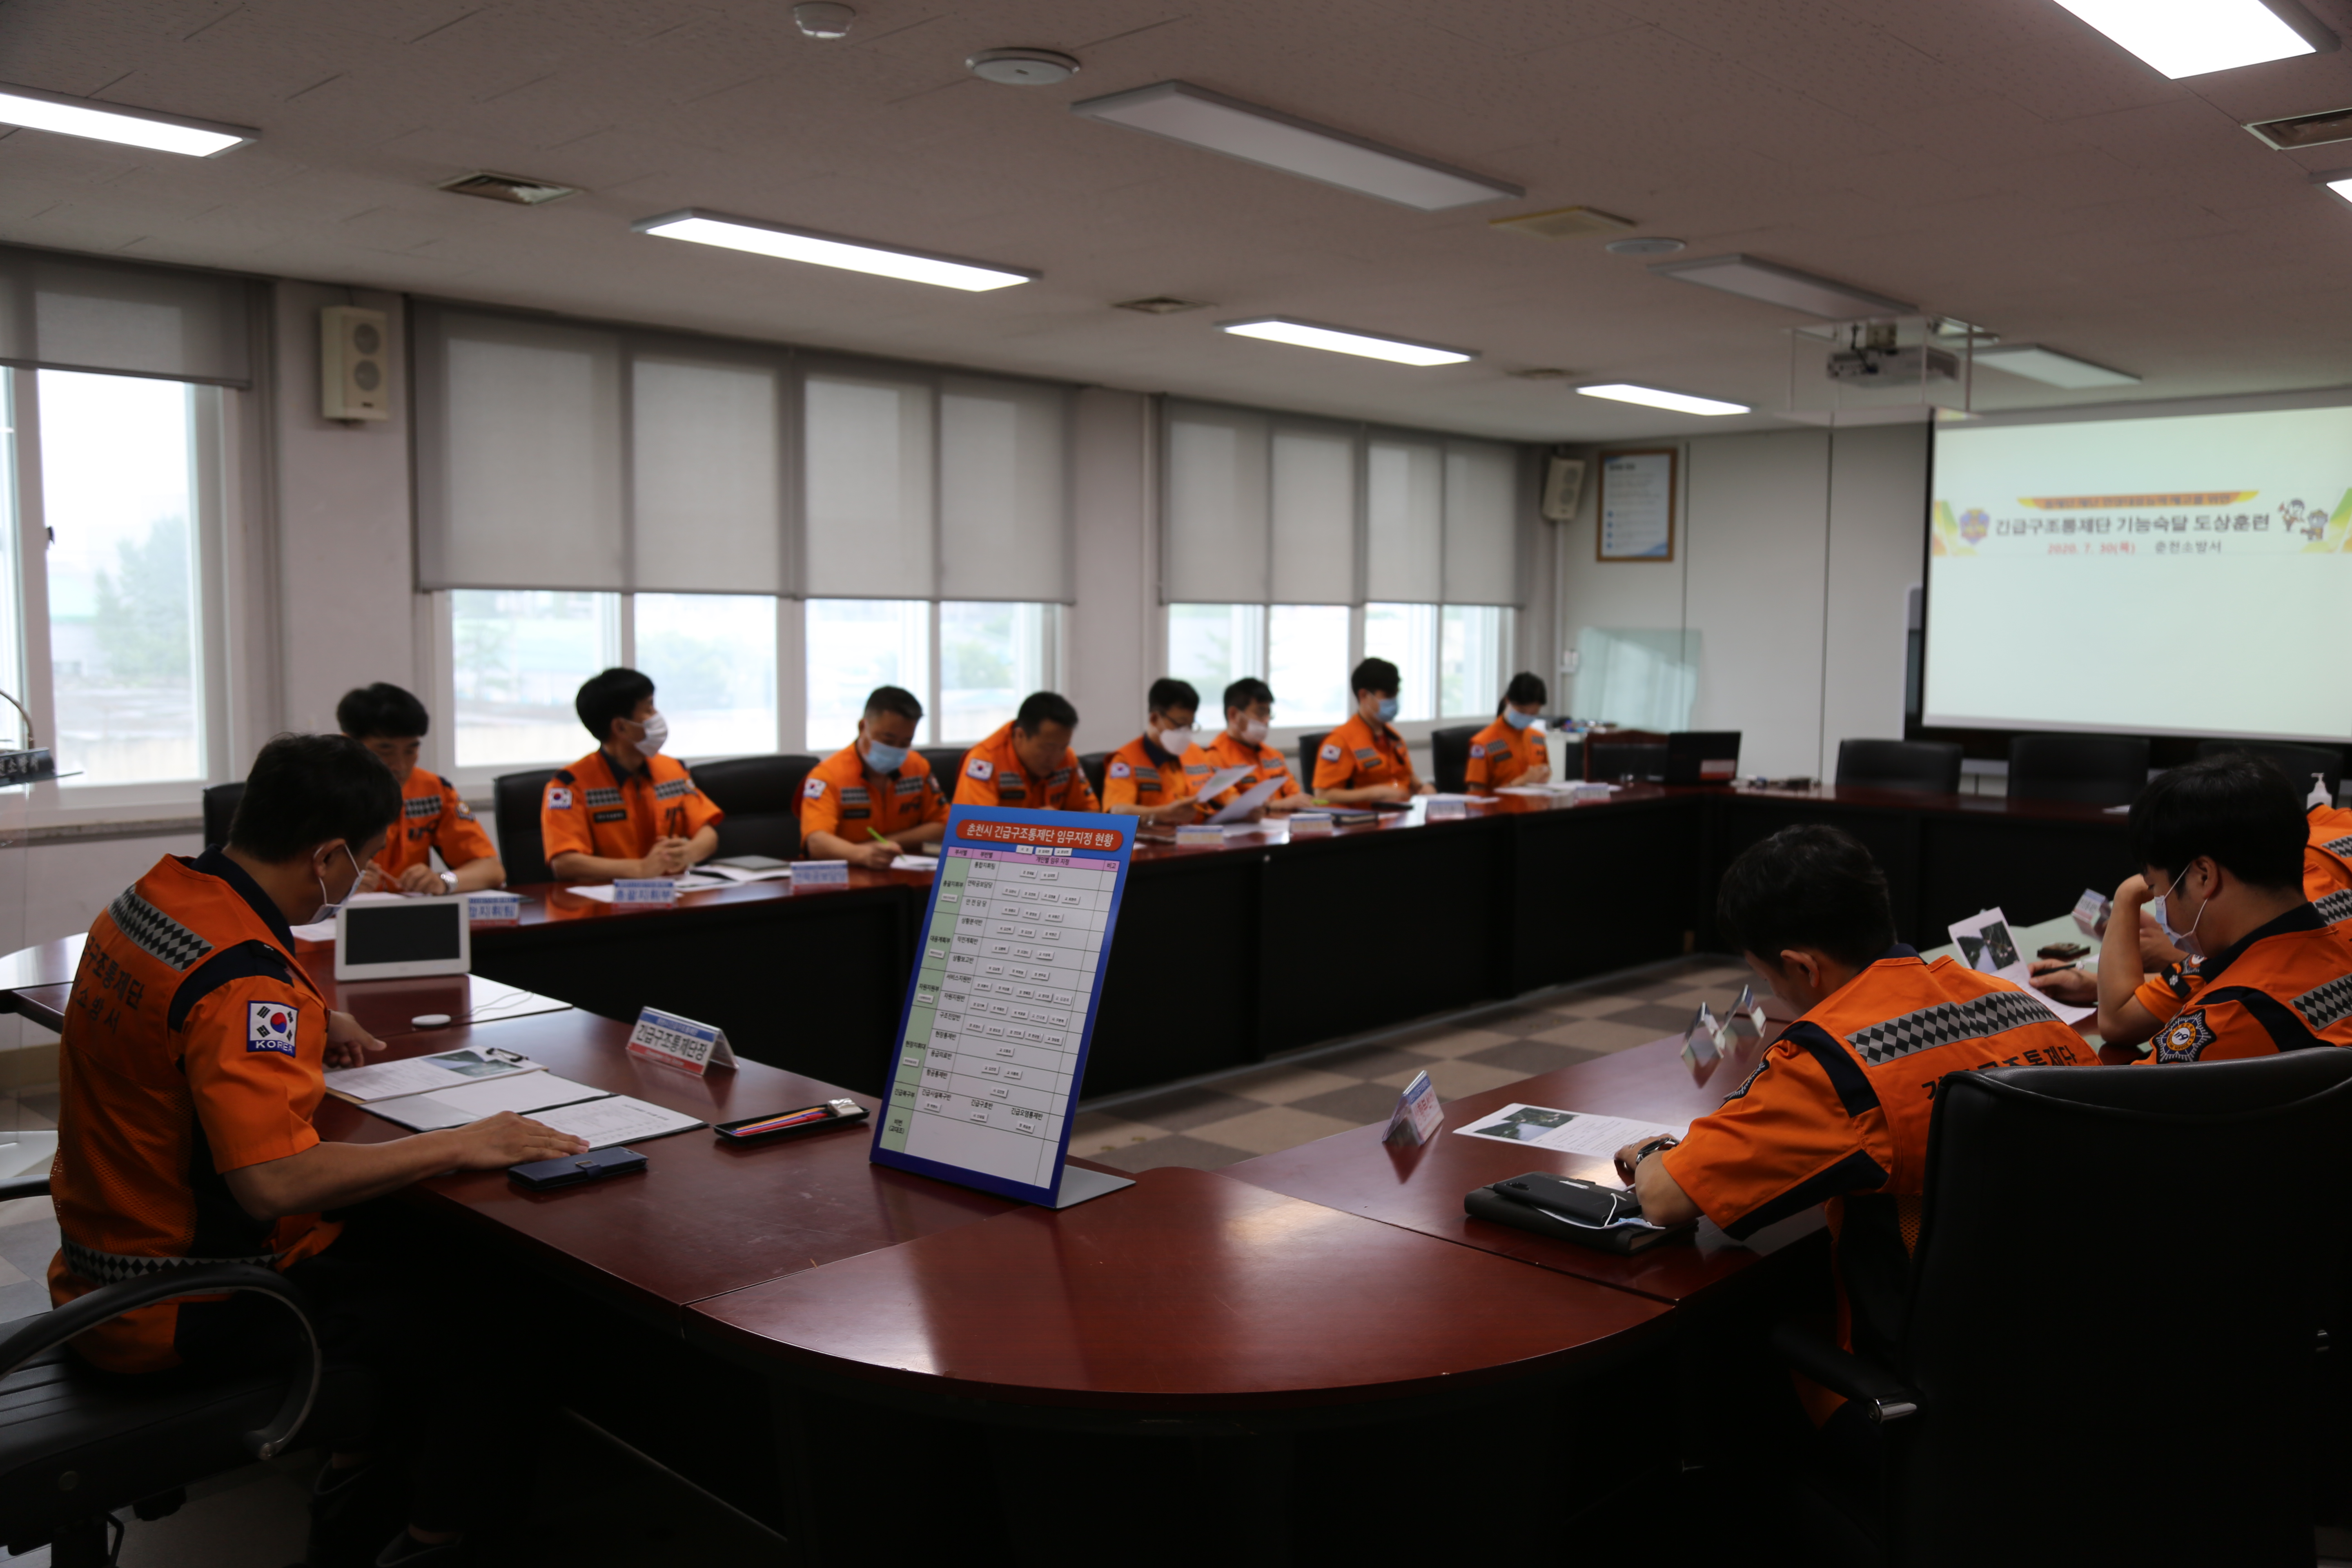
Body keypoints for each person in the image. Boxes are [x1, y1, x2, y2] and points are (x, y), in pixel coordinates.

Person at [47, 733, 588, 1566]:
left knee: (414, 1247)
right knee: (500, 1324)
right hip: (183, 1302)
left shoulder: (152, 901)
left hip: (96, 1267)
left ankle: (357, 1475)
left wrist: (309, 1017)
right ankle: (435, 1543)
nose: (362, 876)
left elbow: (186, 1008)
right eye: (364, 862)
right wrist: (461, 1142)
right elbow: (272, 1182)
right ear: (328, 856)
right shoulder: (241, 980)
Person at [1613, 825, 2089, 1434]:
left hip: (1926, 1398)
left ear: (1801, 967)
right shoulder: (2019, 1004)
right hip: (2073, 1356)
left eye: (1767, 976)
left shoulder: (1835, 1064)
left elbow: (1665, 1198)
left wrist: (1653, 1151)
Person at [2093, 754, 2352, 1062]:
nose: (2160, 902)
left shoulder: (2231, 1015)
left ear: (2204, 876)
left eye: (2155, 888)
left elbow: (2124, 1089)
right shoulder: (2339, 952)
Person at [542, 668, 723, 881]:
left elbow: (707, 832)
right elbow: (565, 863)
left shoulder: (673, 769)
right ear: (621, 728)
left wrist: (688, 852)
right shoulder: (569, 785)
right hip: (608, 897)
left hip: (674, 892)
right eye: (649, 708)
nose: (657, 716)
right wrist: (639, 869)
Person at [335, 682, 506, 894]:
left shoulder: (432, 791)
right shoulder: (318, 793)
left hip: (408, 909)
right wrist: (336, 887)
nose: (400, 766)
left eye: (411, 750)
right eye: (385, 751)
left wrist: (445, 881)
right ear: (349, 744)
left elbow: (491, 869)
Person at [802, 684, 951, 868]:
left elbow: (944, 825)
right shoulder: (827, 776)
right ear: (863, 727)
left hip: (907, 870)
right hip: (849, 874)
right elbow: (816, 842)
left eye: (905, 743)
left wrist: (886, 844)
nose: (896, 749)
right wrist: (862, 854)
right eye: (888, 740)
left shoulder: (917, 767)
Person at [953, 691, 1101, 812]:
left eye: (1064, 747)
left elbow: (1090, 811)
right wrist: (1032, 823)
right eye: (1048, 748)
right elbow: (973, 825)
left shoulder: (1067, 757)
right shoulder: (984, 761)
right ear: (1020, 736)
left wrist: (1060, 822)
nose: (1056, 758)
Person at [1312, 657, 1431, 803]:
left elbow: (1404, 775)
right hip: (1366, 815)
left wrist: (1421, 787)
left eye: (1396, 694)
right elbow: (1322, 796)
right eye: (1387, 696)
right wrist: (1375, 793)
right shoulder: (1340, 741)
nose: (1394, 701)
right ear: (1364, 696)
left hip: (1402, 811)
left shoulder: (1394, 737)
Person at [1184, 677, 1305, 818]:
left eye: (1269, 713)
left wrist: (1294, 803)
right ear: (1234, 715)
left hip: (1283, 825)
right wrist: (1277, 805)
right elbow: (1235, 805)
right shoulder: (1214, 756)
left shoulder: (1274, 755)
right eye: (1260, 713)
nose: (1266, 720)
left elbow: (1296, 798)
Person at [1102, 678, 1207, 824]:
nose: (1185, 733)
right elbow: (1117, 810)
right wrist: (1162, 814)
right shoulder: (1126, 760)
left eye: (1190, 726)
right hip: (1156, 836)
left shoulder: (1195, 753)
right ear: (1155, 718)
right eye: (1180, 724)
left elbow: (1221, 796)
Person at [1464, 673, 1552, 794]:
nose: (1527, 717)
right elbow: (1476, 795)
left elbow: (1544, 775)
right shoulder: (1483, 743)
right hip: (1501, 806)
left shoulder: (1538, 738)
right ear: (1508, 701)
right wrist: (1523, 781)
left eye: (1533, 714)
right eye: (1522, 712)